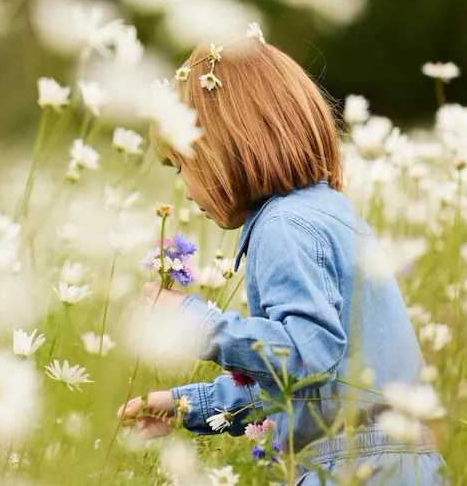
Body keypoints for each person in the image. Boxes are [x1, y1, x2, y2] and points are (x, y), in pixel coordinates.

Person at [116, 37, 446, 484]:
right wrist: (188, 404)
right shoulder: (328, 210)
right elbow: (304, 390)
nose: (186, 191)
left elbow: (307, 358)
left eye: (182, 166)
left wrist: (196, 322)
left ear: (224, 146)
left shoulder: (283, 227)